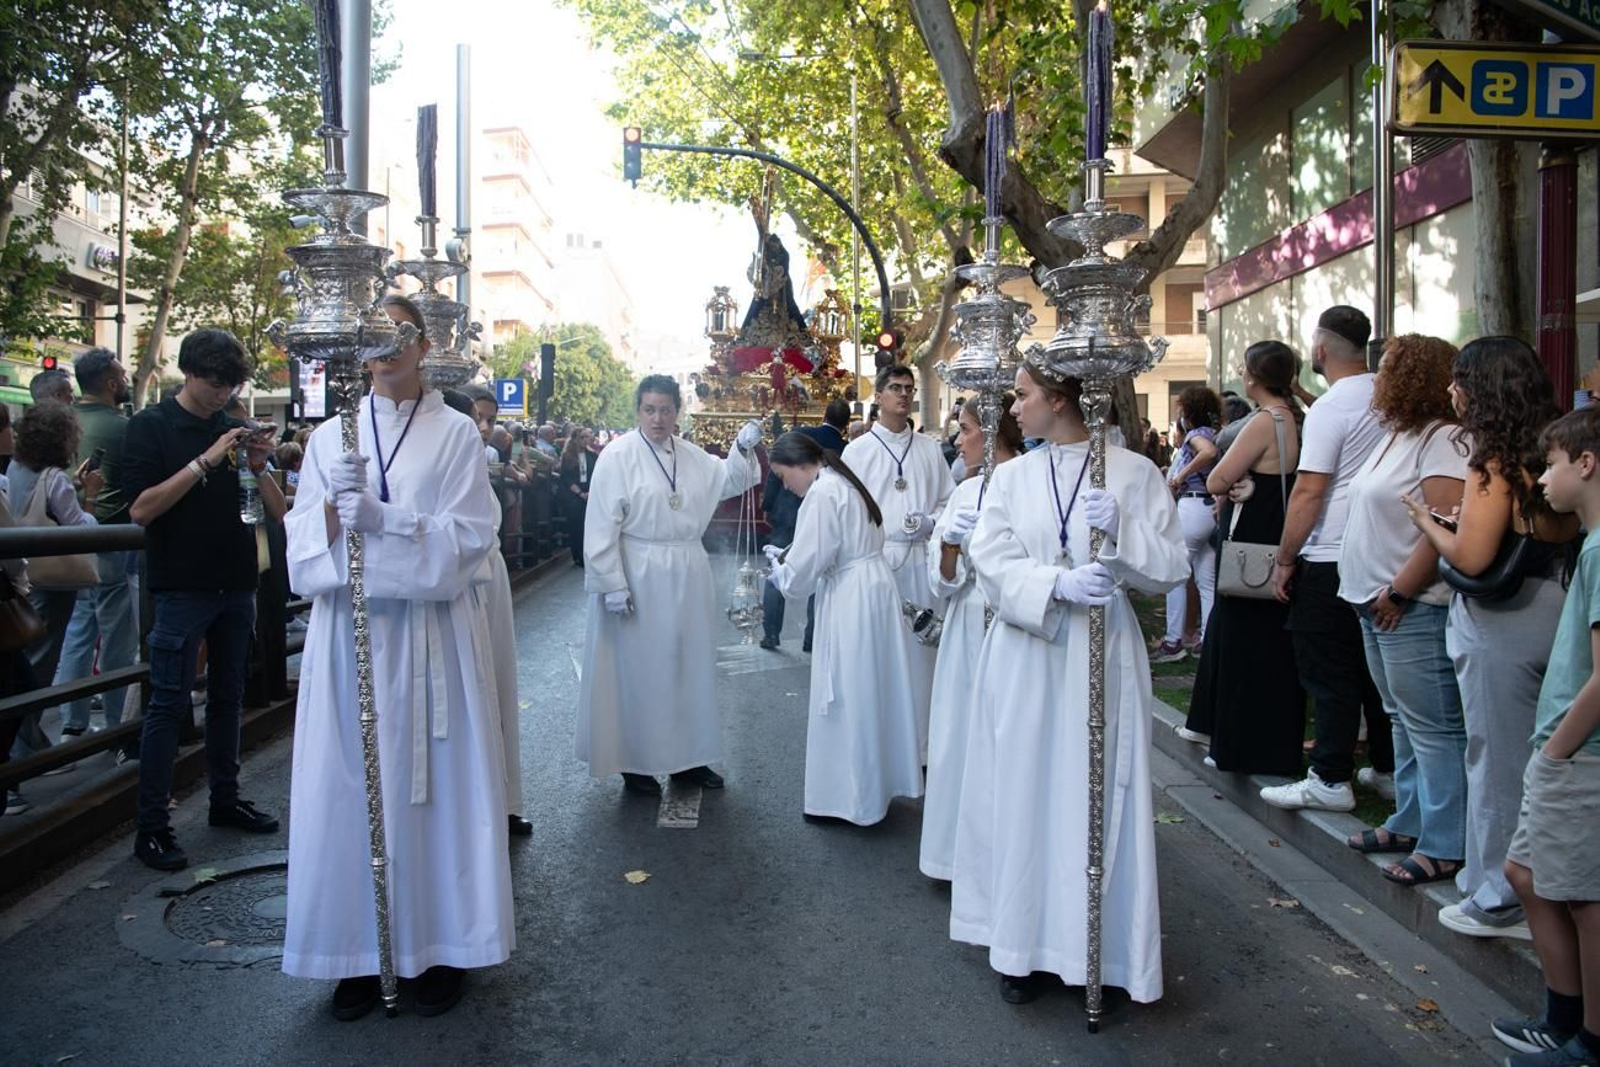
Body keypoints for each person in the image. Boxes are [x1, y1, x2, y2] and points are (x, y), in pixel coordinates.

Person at [282, 296, 513, 1019]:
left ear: (421, 346)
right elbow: (301, 553)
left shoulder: (454, 436)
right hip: (348, 639)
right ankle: (354, 950)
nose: (382, 352)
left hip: (426, 639)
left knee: (432, 793)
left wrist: (389, 521)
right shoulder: (328, 438)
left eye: (396, 337)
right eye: (370, 339)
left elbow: (468, 537)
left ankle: (442, 944)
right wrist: (329, 511)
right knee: (345, 790)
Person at [950, 362, 1186, 1006]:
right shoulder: (1013, 476)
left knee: (1095, 792)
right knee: (1023, 790)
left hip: (1100, 650)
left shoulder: (1131, 472)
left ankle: (1099, 951)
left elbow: (1171, 568)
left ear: (1059, 398)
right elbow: (990, 556)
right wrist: (1054, 584)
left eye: (1023, 395)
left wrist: (1125, 532)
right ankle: (1020, 947)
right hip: (1029, 651)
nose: (1014, 407)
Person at [1405, 336, 1580, 941]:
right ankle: (1520, 886)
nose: (1451, 390)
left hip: (1502, 624)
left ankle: (1503, 896)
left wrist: (1429, 522)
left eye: (1459, 378)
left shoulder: (1493, 460)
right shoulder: (1554, 447)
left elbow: (1474, 557)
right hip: (1557, 606)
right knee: (1539, 757)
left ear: (1482, 387)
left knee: (1497, 760)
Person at [123, 329, 285, 870]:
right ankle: (152, 826)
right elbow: (141, 509)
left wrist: (258, 461)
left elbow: (278, 511)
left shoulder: (233, 426)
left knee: (228, 698)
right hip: (181, 583)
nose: (222, 394)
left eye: (231, 385)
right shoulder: (150, 426)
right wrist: (208, 459)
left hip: (237, 579)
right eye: (216, 383)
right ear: (190, 372)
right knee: (168, 706)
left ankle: (225, 798)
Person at [577, 375, 762, 795]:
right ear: (637, 411)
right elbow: (601, 524)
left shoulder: (693, 456)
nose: (657, 419)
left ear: (677, 412)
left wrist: (743, 446)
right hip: (637, 571)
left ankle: (688, 760)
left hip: (687, 569)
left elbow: (732, 479)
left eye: (665, 410)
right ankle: (636, 762)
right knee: (637, 669)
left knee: (687, 665)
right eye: (649, 409)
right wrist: (611, 583)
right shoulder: (617, 456)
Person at [1483, 405, 1600, 1066]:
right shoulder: (1588, 545)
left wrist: (1557, 751)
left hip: (1578, 756)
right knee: (1528, 871)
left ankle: (1587, 1039)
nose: (1543, 478)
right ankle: (1563, 1016)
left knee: (1582, 896)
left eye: (1552, 463)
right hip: (1565, 751)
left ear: (1586, 463)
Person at [1337, 335, 1469, 887]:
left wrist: (1398, 592)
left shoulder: (1444, 439)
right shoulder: (1400, 433)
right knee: (1402, 720)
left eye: (1387, 367)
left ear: (1412, 374)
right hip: (1374, 602)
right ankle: (1411, 821)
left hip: (1407, 606)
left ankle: (1446, 843)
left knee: (1434, 728)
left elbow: (1444, 527)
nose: (1377, 375)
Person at [1263, 306, 1393, 813]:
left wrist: (1286, 557)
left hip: (1327, 554)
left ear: (1320, 350)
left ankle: (1330, 776)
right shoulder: (1388, 395)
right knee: (1373, 673)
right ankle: (1386, 768)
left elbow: (1310, 490)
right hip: (1381, 554)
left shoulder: (1332, 408)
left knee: (1328, 671)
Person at [764, 432, 922, 824]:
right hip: (872, 587)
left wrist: (781, 571)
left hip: (852, 597)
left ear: (802, 465)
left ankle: (853, 798)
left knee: (851, 692)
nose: (788, 487)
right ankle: (880, 785)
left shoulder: (822, 492)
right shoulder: (845, 481)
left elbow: (805, 569)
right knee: (873, 688)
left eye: (785, 478)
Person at [1183, 342, 1305, 774]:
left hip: (1254, 539)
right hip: (1274, 532)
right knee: (1266, 644)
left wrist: (1238, 482)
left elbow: (1217, 479)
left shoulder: (1265, 421)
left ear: (1254, 377)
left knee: (1242, 643)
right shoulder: (1295, 418)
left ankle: (1239, 744)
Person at [919, 396, 1023, 880]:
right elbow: (940, 582)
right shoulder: (964, 491)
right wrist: (949, 545)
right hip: (966, 624)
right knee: (959, 733)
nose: (958, 440)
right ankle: (956, 856)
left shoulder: (1030, 481)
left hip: (1015, 622)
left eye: (965, 429)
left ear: (993, 430)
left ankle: (1010, 856)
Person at [840, 365, 955, 756]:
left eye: (908, 388)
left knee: (924, 659)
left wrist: (931, 522)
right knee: (883, 658)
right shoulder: (857, 451)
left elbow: (948, 502)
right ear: (879, 395)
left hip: (922, 561)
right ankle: (885, 750)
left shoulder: (929, 448)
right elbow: (845, 509)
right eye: (895, 388)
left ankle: (922, 749)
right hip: (879, 562)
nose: (903, 395)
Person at [52, 349, 139, 745]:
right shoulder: (124, 428)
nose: (126, 380)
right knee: (117, 633)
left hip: (68, 535)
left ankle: (72, 723)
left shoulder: (65, 424)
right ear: (109, 382)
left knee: (79, 629)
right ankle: (120, 724)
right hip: (112, 536)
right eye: (121, 375)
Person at [7, 402, 101, 761]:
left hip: (20, 579)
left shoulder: (15, 469)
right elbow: (80, 527)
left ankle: (29, 745)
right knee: (39, 668)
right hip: (52, 580)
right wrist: (89, 494)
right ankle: (23, 752)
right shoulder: (54, 479)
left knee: (25, 663)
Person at [760, 398, 849, 651]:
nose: (786, 483)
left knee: (791, 573)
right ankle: (812, 636)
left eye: (784, 477)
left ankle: (771, 632)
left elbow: (801, 576)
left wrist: (768, 506)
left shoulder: (801, 437)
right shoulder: (841, 456)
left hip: (788, 514)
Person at [1151, 386, 1222, 662]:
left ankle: (1173, 640)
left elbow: (1208, 453)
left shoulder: (1196, 436)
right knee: (1206, 578)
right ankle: (1206, 638)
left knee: (1177, 574)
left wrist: (1181, 475)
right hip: (1206, 509)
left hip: (1192, 507)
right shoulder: (1209, 432)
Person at [558, 427, 598, 568]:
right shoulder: (568, 456)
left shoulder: (592, 456)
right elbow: (566, 478)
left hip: (590, 493)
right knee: (576, 525)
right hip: (573, 494)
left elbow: (597, 475)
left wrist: (590, 492)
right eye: (582, 437)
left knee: (589, 526)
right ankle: (578, 555)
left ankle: (589, 554)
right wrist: (580, 493)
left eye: (587, 437)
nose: (585, 440)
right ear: (575, 439)